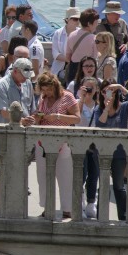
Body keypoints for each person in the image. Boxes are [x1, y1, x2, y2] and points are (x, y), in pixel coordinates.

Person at [30, 72, 80, 219]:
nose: (46, 93)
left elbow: (77, 118)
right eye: (43, 90)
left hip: (62, 142)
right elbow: (39, 117)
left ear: (55, 85)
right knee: (43, 177)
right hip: (43, 143)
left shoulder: (67, 96)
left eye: (48, 90)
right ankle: (47, 206)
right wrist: (36, 118)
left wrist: (57, 117)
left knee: (65, 176)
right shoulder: (43, 98)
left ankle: (67, 209)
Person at [0, 58, 36, 215]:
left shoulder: (28, 84)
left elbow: (31, 107)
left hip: (25, 135)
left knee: (20, 171)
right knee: (5, 171)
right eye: (24, 74)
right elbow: (2, 111)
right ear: (15, 71)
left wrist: (30, 120)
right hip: (7, 135)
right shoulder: (1, 85)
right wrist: (21, 120)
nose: (26, 78)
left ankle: (13, 205)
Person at [95, 80, 128, 221]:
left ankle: (123, 217)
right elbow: (99, 125)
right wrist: (106, 109)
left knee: (119, 185)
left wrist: (120, 87)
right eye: (105, 91)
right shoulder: (99, 109)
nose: (108, 94)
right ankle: (101, 216)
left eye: (111, 90)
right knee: (103, 185)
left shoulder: (123, 107)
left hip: (119, 153)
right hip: (103, 152)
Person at [76, 76, 101, 219]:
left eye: (92, 87)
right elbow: (76, 117)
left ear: (97, 89)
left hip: (95, 144)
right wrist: (81, 98)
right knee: (81, 173)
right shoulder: (78, 102)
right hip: (80, 142)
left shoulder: (99, 105)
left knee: (94, 174)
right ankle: (79, 202)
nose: (89, 90)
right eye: (87, 87)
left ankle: (91, 203)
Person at [64, 8, 100, 83]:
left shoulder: (71, 35)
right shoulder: (93, 38)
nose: (97, 25)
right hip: (87, 70)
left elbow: (67, 57)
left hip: (73, 69)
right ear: (89, 24)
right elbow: (95, 58)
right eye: (96, 23)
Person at [52, 7, 80, 83]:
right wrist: (69, 60)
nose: (77, 21)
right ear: (67, 19)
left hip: (76, 68)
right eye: (74, 19)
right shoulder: (58, 33)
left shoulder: (81, 34)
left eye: (78, 19)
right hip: (59, 68)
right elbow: (55, 54)